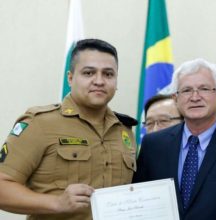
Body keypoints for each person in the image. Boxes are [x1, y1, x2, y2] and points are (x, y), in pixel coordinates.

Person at [0, 39, 137, 220]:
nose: (99, 81)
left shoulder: (124, 131)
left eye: (108, 74)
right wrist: (56, 203)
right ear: (70, 78)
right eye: (88, 73)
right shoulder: (40, 123)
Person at [134, 58, 216, 219]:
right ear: (175, 98)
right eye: (187, 90)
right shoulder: (153, 145)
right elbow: (139, 201)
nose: (195, 97)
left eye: (204, 89)